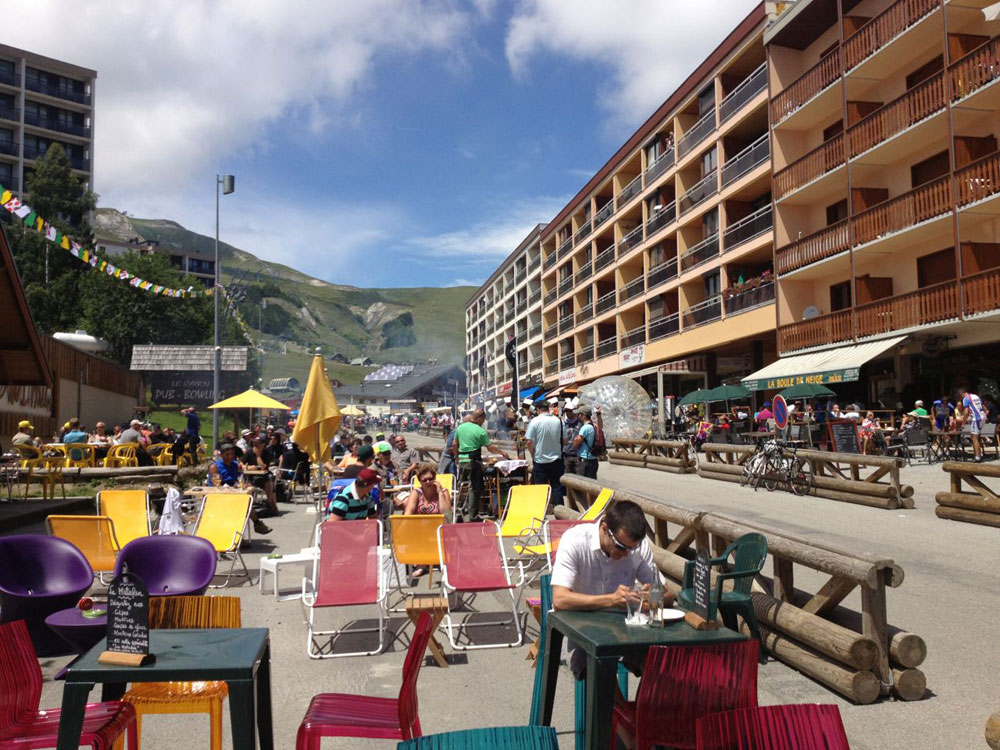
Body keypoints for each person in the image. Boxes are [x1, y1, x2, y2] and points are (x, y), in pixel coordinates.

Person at [551, 500, 671, 677]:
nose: (626, 554)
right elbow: (560, 599)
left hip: (622, 627)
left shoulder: (636, 547)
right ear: (605, 529)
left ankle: (642, 705)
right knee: (597, 664)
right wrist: (611, 600)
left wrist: (652, 596)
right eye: (621, 547)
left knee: (658, 659)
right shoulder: (575, 540)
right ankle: (615, 705)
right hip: (577, 626)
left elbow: (668, 594)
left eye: (632, 548)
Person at [455, 408, 509, 519]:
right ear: (479, 418)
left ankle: (457, 510)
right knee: (475, 489)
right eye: (483, 420)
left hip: (462, 461)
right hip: (473, 462)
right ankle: (473, 516)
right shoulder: (480, 431)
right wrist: (502, 452)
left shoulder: (460, 427)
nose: (483, 422)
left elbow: (454, 444)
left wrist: (457, 457)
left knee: (462, 487)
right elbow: (490, 448)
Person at [207, 443, 271, 534]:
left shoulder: (235, 465)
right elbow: (215, 484)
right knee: (242, 504)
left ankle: (247, 530)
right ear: (221, 455)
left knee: (246, 501)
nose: (230, 456)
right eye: (227, 454)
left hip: (233, 494)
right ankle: (255, 525)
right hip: (218, 495)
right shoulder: (215, 467)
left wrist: (244, 484)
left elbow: (239, 479)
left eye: (232, 454)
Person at [526, 400, 565, 506]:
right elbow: (565, 440)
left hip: (540, 460)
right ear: (548, 408)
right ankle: (560, 513)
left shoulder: (534, 421)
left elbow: (529, 441)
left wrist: (532, 454)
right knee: (557, 487)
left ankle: (541, 514)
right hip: (556, 459)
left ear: (538, 410)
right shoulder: (559, 421)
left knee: (541, 489)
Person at [242, 437, 279, 513]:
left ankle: (270, 502)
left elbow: (263, 467)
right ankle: (270, 504)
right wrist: (249, 467)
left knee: (270, 479)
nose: (255, 445)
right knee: (268, 480)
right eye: (254, 443)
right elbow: (241, 464)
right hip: (251, 476)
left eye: (257, 443)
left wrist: (258, 456)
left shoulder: (267, 453)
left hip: (263, 475)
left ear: (263, 444)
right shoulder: (249, 452)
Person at [572, 405, 600, 479]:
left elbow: (575, 444)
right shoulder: (594, 426)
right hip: (594, 458)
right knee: (592, 482)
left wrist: (575, 440)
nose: (578, 416)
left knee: (581, 483)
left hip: (585, 459)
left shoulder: (584, 428)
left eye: (579, 414)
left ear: (583, 415)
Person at [960, 388, 987, 461]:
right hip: (982, 417)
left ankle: (977, 457)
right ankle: (979, 453)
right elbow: (984, 407)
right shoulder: (976, 396)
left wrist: (963, 423)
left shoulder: (966, 398)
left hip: (976, 418)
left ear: (963, 393)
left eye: (960, 395)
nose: (961, 397)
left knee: (974, 438)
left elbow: (965, 412)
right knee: (977, 437)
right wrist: (985, 415)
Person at [562, 404, 582, 477]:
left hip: (578, 455)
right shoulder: (563, 424)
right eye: (566, 411)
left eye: (570, 410)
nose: (568, 412)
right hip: (566, 455)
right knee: (568, 478)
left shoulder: (581, 423)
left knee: (579, 479)